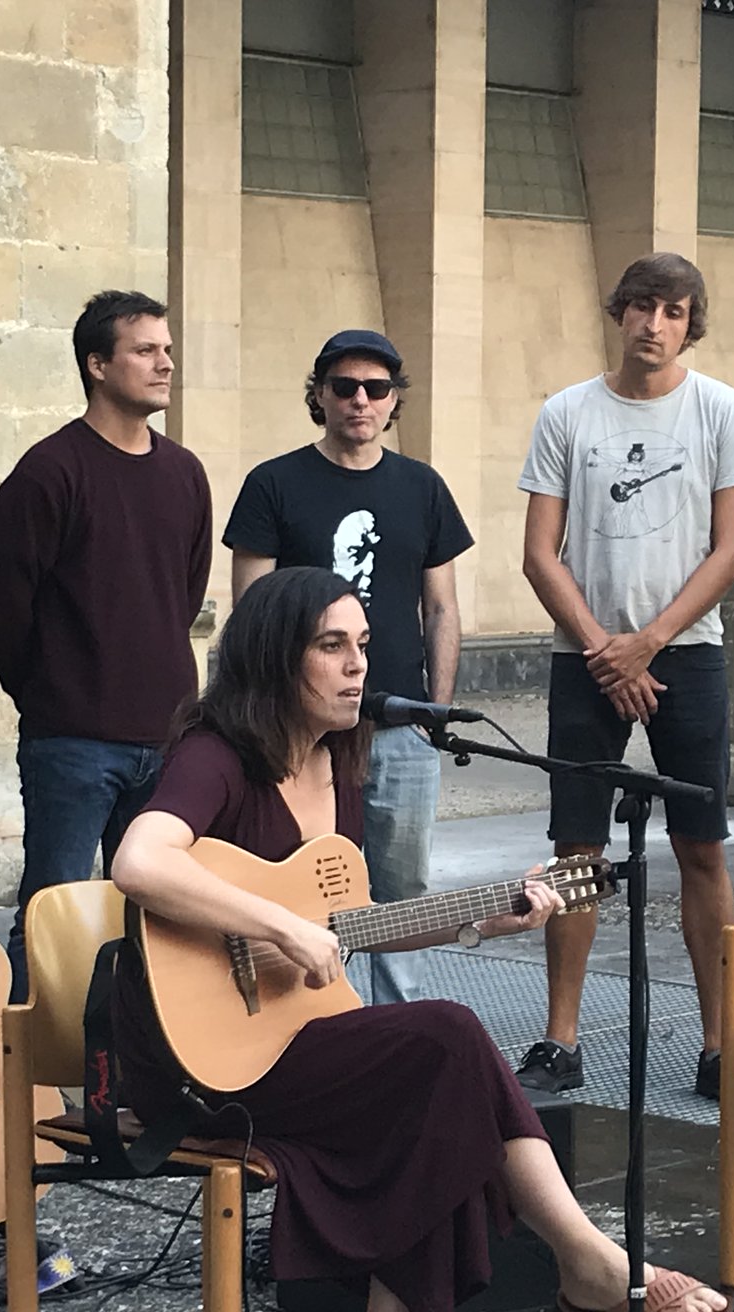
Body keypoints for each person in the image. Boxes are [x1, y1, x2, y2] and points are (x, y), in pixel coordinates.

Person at [107, 567, 731, 1312]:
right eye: (332, 646)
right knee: (446, 1041)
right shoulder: (218, 755)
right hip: (193, 1057)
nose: (358, 666)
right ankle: (587, 1262)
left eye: (363, 645)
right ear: (275, 657)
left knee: (440, 1102)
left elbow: (350, 925)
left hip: (285, 1041)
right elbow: (138, 862)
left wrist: (485, 917)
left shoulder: (337, 765)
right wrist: (277, 924)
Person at [513, 253, 734, 1114]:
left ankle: (719, 1043)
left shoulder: (722, 411)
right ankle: (561, 1039)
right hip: (584, 657)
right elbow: (539, 553)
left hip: (687, 653)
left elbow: (731, 550)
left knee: (702, 846)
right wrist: (605, 650)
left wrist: (649, 644)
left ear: (691, 323)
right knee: (577, 849)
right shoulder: (567, 412)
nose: (654, 324)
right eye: (640, 306)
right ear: (618, 312)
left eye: (673, 310)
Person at [0, 289, 214, 1006]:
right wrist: (55, 695)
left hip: (168, 737)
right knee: (52, 915)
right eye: (145, 350)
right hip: (72, 743)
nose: (165, 363)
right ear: (97, 364)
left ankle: (141, 1062)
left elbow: (183, 594)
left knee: (161, 921)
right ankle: (34, 1062)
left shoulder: (184, 473)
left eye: (167, 349)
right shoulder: (49, 473)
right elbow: (4, 612)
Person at [224, 329, 472, 1006]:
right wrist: (268, 720)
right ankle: (306, 1019)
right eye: (344, 386)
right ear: (320, 395)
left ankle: (395, 1023)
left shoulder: (422, 487)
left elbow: (442, 607)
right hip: (301, 733)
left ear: (393, 400)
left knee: (400, 892)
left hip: (399, 726)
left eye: (376, 388)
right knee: (297, 882)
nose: (360, 400)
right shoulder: (273, 484)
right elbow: (252, 613)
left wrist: (433, 713)